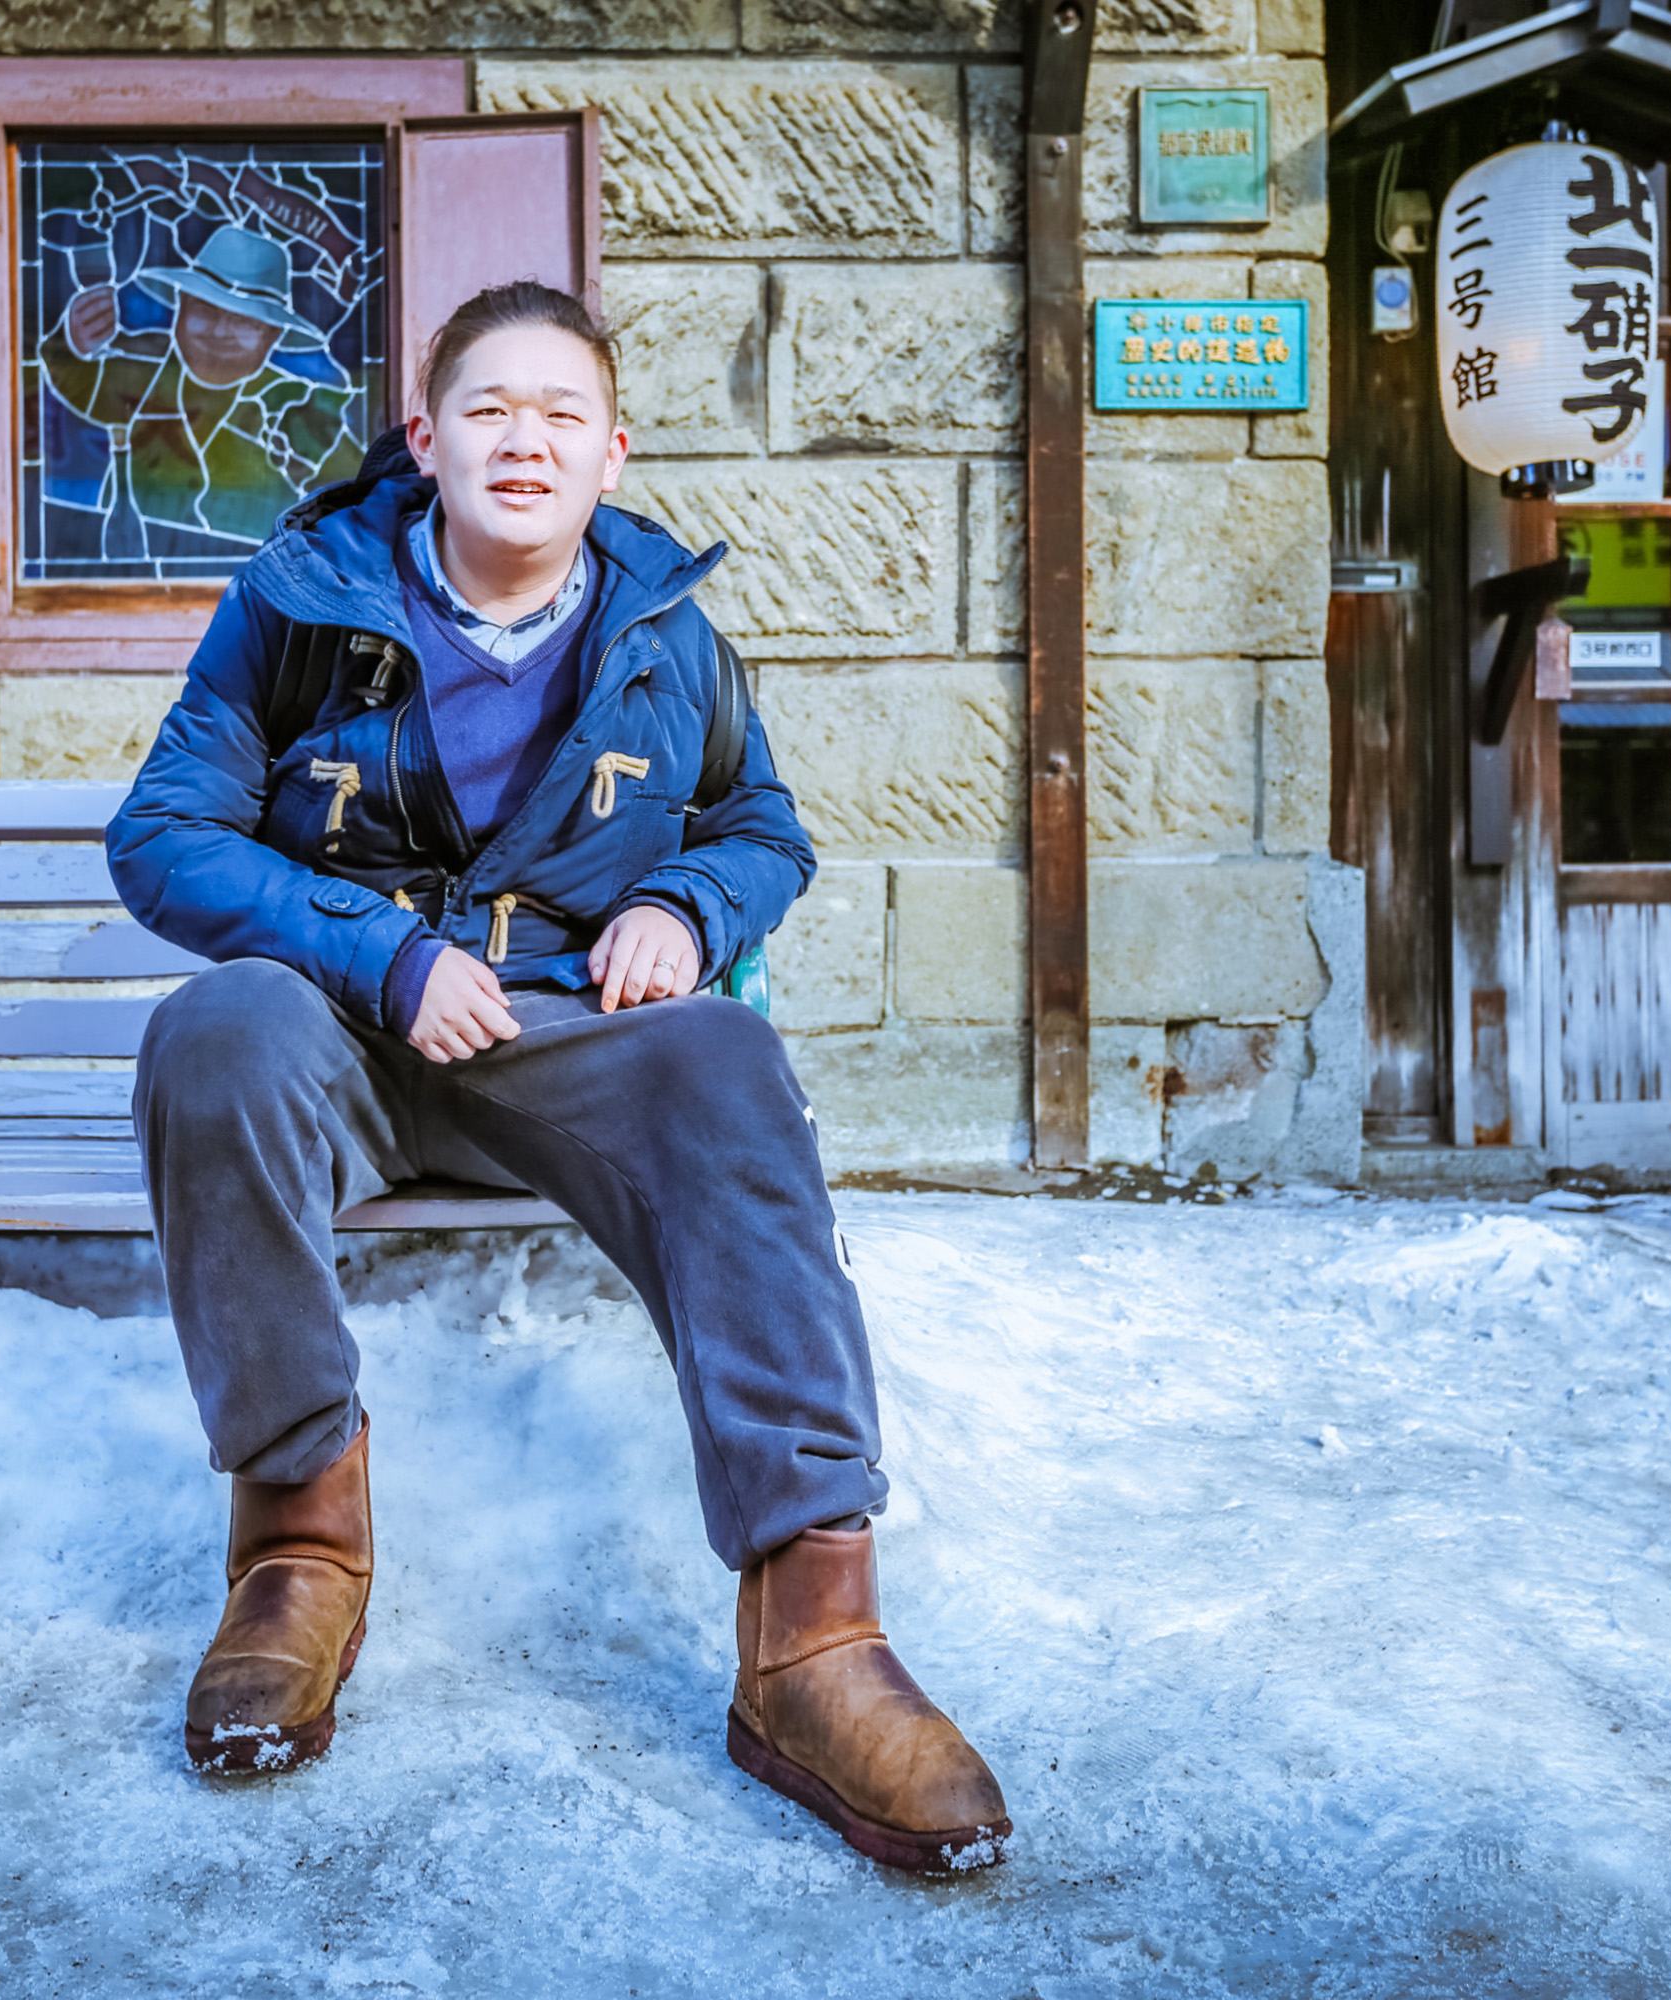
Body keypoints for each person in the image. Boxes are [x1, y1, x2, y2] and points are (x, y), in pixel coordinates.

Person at [106, 281, 1011, 1873]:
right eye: (490, 408)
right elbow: (163, 836)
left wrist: (682, 908)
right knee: (213, 1032)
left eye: (561, 414)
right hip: (353, 1037)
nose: (524, 438)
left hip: (566, 1041)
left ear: (612, 452)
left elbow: (761, 829)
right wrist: (377, 955)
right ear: (426, 435)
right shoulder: (297, 598)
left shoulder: (664, 636)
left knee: (726, 1054)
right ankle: (296, 1543)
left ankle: (815, 1631)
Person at [40, 222, 360, 558]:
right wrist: (72, 341)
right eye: (206, 311)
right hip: (132, 585)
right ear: (180, 306)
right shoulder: (143, 369)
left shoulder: (298, 405)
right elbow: (76, 383)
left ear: (274, 336)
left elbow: (357, 504)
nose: (220, 333)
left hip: (262, 592)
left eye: (245, 322)